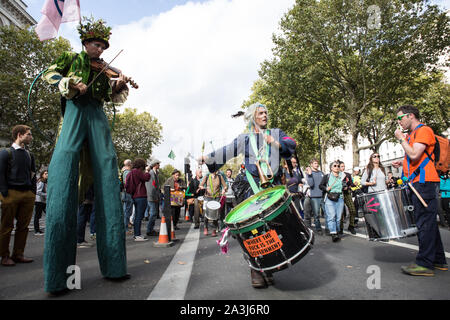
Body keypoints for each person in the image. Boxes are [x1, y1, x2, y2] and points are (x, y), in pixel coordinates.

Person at [41, 17, 131, 293]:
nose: (100, 51)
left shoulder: (103, 68)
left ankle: (115, 266)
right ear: (85, 43)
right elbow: (50, 74)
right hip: (74, 111)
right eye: (96, 45)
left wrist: (117, 84)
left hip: (96, 115)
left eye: (103, 47)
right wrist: (70, 83)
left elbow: (110, 95)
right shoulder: (71, 57)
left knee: (107, 168)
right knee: (64, 167)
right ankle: (60, 278)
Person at [198, 103, 297, 289]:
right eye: (260, 113)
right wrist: (207, 159)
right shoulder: (245, 138)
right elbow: (227, 150)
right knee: (254, 232)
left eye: (266, 112)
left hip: (273, 189)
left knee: (274, 230)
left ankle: (268, 267)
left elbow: (291, 144)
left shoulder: (276, 132)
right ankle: (256, 270)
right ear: (253, 117)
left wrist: (274, 143)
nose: (265, 115)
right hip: (251, 189)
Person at [392, 105, 447, 276]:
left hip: (424, 183)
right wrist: (402, 163)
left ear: (410, 116)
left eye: (400, 118)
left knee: (424, 223)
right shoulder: (413, 135)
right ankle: (438, 259)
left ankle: (424, 264)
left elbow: (415, 154)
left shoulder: (423, 130)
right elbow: (416, 158)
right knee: (428, 223)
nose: (399, 122)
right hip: (417, 182)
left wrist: (401, 139)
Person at [0, 125, 36, 266]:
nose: (31, 137)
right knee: (6, 226)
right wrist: (4, 193)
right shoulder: (5, 153)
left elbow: (32, 174)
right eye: (29, 134)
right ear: (19, 135)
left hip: (27, 194)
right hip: (11, 193)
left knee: (23, 226)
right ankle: (4, 256)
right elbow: (1, 174)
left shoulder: (29, 155)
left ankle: (18, 253)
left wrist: (32, 191)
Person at [319, 161, 346, 242]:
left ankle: (337, 231)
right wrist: (326, 188)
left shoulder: (342, 176)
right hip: (329, 198)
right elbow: (320, 186)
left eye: (338, 166)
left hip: (340, 197)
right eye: (335, 166)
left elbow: (344, 185)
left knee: (338, 218)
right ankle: (333, 233)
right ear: (331, 168)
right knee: (331, 216)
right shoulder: (327, 176)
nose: (337, 167)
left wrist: (345, 187)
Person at [125, 158, 151, 241]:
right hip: (141, 195)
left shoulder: (130, 173)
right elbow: (146, 177)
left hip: (134, 196)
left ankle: (137, 234)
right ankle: (137, 235)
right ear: (141, 166)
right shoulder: (137, 172)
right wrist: (147, 171)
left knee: (137, 216)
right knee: (139, 216)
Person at [198, 170, 227, 237]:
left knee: (215, 215)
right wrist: (201, 187)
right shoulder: (207, 176)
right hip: (207, 197)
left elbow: (225, 186)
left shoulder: (220, 177)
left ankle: (214, 230)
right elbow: (201, 184)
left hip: (216, 197)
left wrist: (224, 189)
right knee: (206, 214)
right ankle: (205, 227)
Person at [305, 158, 324, 235]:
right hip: (315, 196)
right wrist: (309, 175)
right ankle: (318, 228)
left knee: (327, 212)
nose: (317, 165)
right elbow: (311, 184)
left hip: (323, 195)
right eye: (315, 163)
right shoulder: (309, 173)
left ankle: (330, 228)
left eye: (317, 163)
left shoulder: (321, 173)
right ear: (311, 164)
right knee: (316, 214)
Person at [338, 161, 357, 235]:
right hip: (339, 194)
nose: (343, 168)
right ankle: (341, 228)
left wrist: (353, 184)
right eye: (341, 166)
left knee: (352, 210)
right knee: (341, 213)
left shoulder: (348, 175)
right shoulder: (336, 175)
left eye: (343, 166)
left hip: (347, 194)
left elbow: (350, 184)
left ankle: (351, 226)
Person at [145, 159, 161, 237]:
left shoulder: (155, 173)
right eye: (158, 164)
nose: (159, 165)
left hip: (153, 196)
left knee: (153, 213)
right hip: (151, 197)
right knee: (153, 213)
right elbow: (151, 187)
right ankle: (149, 230)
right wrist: (154, 197)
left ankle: (150, 229)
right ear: (155, 165)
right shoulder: (151, 174)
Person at [34, 169, 48, 235]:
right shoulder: (41, 182)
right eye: (45, 173)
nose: (47, 175)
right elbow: (38, 192)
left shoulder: (45, 182)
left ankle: (38, 230)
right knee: (37, 216)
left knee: (47, 213)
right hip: (39, 201)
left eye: (47, 173)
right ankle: (36, 231)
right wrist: (46, 195)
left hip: (43, 201)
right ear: (42, 175)